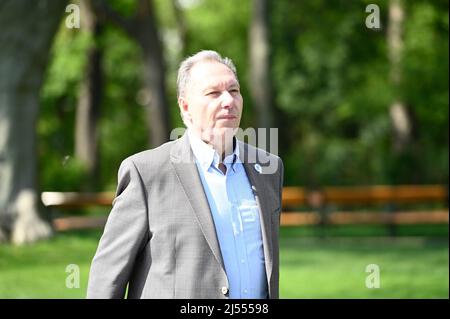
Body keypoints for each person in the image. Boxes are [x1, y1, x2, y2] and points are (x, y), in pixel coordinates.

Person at [86, 50, 284, 299]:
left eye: (234, 91)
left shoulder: (268, 168)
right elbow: (107, 277)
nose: (228, 101)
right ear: (186, 106)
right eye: (213, 93)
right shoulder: (146, 172)